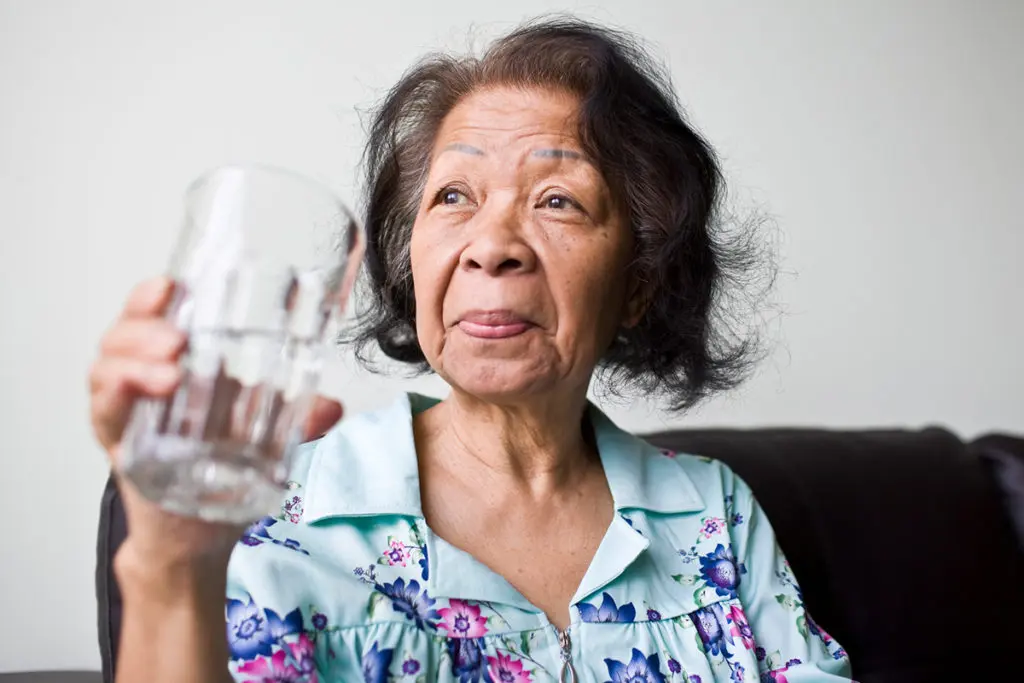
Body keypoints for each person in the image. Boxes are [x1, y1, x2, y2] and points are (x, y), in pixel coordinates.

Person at [89, 17, 852, 683]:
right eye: (454, 195)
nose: (491, 246)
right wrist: (170, 569)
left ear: (638, 284)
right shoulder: (264, 504)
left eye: (559, 200)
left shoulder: (716, 512)